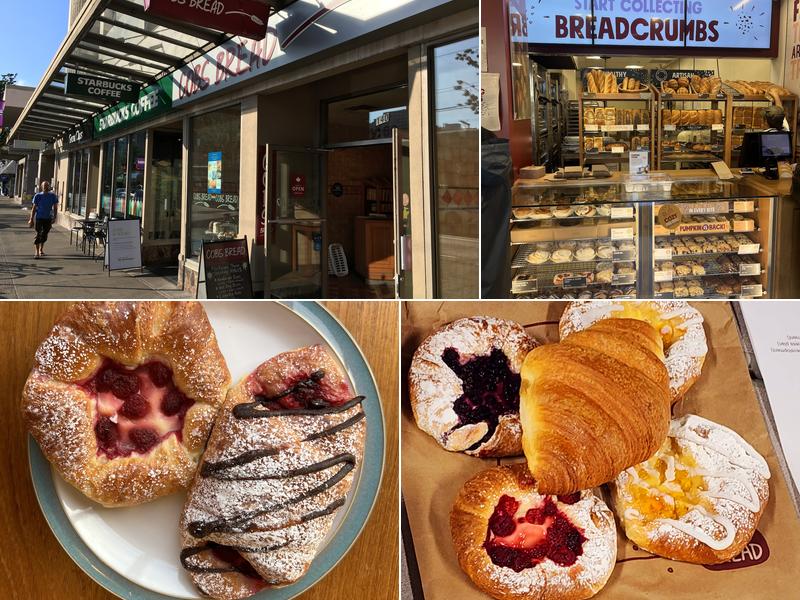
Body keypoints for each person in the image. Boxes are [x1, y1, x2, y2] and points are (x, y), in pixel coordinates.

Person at [28, 181, 59, 259]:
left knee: (44, 235)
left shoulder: (53, 196)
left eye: (47, 186)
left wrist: (55, 217)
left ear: (49, 187)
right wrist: (31, 219)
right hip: (39, 218)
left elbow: (55, 207)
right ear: (41, 187)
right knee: (39, 234)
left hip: (48, 218)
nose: (45, 187)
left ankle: (41, 249)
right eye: (44, 186)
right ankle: (37, 252)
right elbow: (34, 208)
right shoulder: (38, 196)